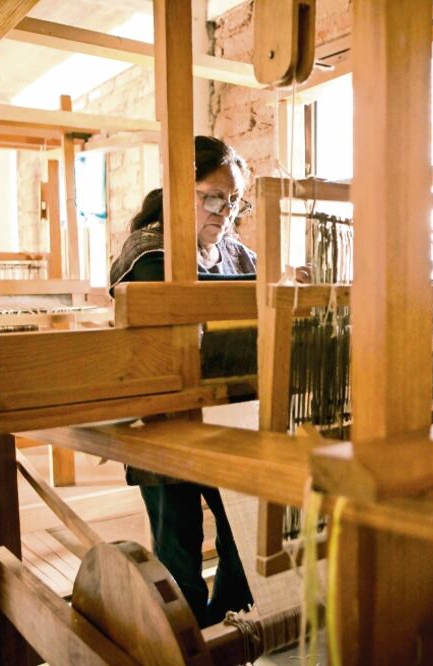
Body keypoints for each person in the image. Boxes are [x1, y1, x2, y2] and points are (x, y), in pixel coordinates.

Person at [108, 136, 258, 628]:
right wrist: (274, 285)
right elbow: (168, 291)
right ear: (178, 191)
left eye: (234, 200)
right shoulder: (149, 248)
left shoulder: (235, 254)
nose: (226, 210)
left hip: (226, 415)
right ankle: (189, 639)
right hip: (164, 418)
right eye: (213, 196)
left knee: (246, 529)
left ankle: (234, 628)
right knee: (179, 548)